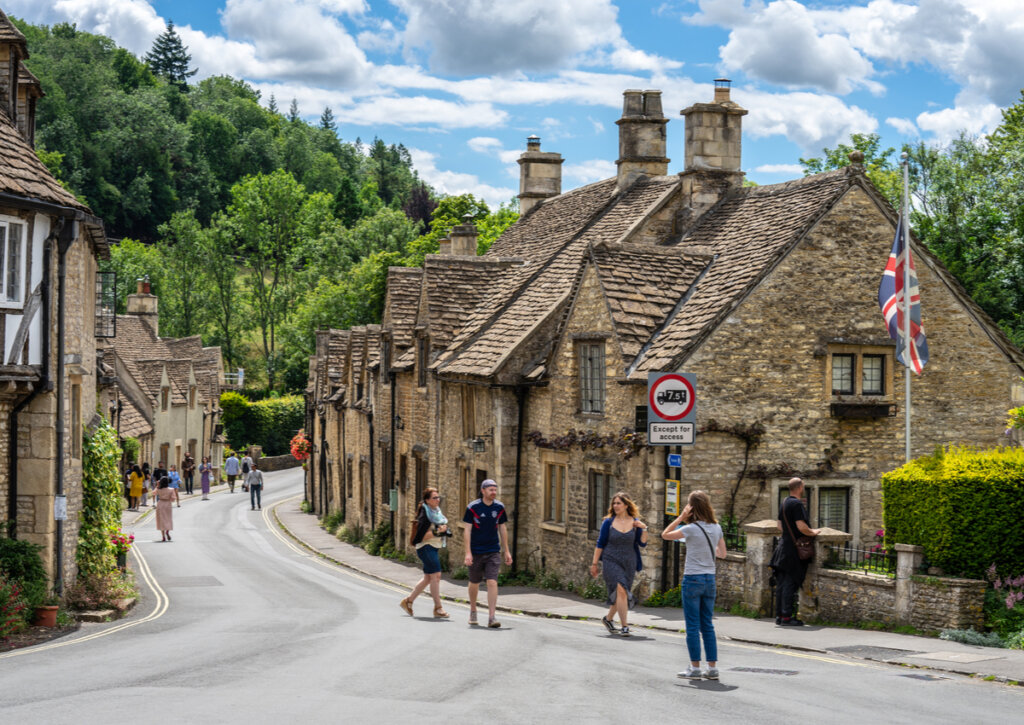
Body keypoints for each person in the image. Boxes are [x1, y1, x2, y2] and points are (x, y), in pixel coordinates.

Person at [662, 490, 727, 680]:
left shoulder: (689, 529)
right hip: (709, 579)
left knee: (692, 625)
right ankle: (713, 668)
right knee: (707, 625)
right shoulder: (717, 528)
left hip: (692, 579)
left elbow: (665, 535)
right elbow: (722, 554)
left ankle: (695, 667)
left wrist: (680, 517)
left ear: (691, 508)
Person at [589, 492, 648, 636]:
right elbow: (600, 543)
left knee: (621, 594)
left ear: (626, 505)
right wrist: (594, 563)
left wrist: (644, 528)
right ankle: (625, 626)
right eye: (614, 503)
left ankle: (608, 619)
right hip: (611, 560)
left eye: (618, 503)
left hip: (629, 562)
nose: (615, 506)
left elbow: (642, 543)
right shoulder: (608, 522)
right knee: (621, 590)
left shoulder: (635, 522)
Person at [462, 479, 512, 628]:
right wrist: (468, 553)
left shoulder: (499, 507)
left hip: (493, 550)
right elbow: (467, 530)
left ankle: (491, 617)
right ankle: (473, 610)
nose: (494, 492)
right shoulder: (473, 508)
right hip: (476, 551)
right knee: (474, 583)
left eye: (495, 490)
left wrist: (506, 551)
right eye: (491, 490)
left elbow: (502, 528)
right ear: (483, 491)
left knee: (492, 581)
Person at [772, 477, 820, 626]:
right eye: (803, 486)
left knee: (781, 583)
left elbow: (780, 525)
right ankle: (787, 617)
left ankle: (780, 615)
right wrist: (813, 532)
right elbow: (801, 526)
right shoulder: (797, 504)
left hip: (783, 547)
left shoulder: (784, 502)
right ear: (799, 487)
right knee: (790, 583)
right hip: (793, 551)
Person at [400, 487, 450, 619]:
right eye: (434, 498)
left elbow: (438, 530)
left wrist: (444, 531)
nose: (438, 500)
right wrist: (437, 532)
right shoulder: (425, 515)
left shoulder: (436, 512)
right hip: (426, 547)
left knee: (428, 578)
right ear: (427, 500)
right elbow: (419, 538)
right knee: (436, 576)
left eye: (438, 497)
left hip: (433, 547)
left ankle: (408, 601)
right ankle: (438, 608)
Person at [154, 476, 175, 542]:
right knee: (168, 519)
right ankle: (167, 531)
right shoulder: (171, 489)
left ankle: (163, 536)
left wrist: (157, 486)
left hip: (160, 504)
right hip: (167, 504)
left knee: (161, 520)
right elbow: (173, 499)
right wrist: (169, 499)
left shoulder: (159, 489)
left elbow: (153, 493)